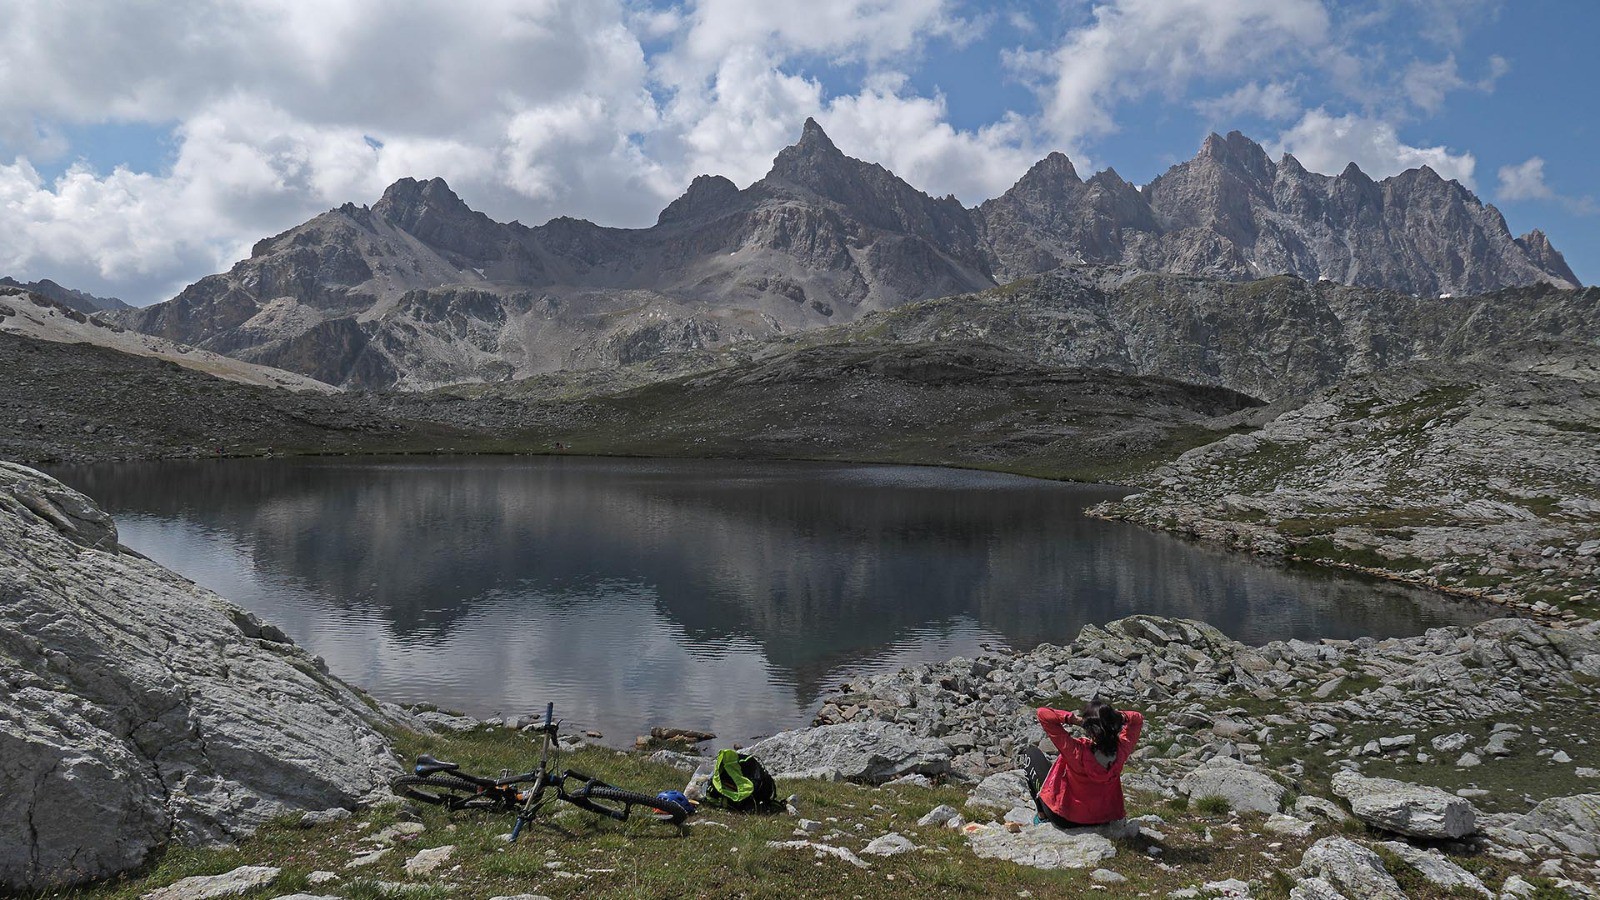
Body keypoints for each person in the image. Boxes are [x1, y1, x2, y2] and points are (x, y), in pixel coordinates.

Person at [1022, 698, 1144, 827]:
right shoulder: (1121, 750)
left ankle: (1042, 816)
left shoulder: (1076, 751)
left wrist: (1074, 719)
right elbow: (1138, 719)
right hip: (1103, 818)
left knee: (1030, 754)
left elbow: (1042, 713)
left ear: (1089, 727)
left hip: (1065, 818)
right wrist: (1116, 717)